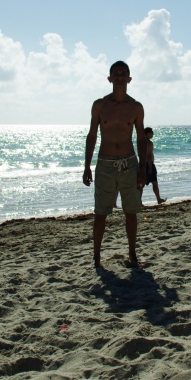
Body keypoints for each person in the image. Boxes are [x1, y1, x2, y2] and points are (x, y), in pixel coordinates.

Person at [83, 60, 147, 269]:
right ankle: (96, 259)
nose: (119, 77)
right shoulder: (100, 105)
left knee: (131, 212)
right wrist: (86, 166)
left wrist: (143, 168)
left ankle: (132, 255)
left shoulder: (136, 107)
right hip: (105, 164)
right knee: (100, 213)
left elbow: (140, 139)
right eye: (115, 74)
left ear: (129, 78)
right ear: (109, 78)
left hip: (129, 163)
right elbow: (92, 135)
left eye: (123, 74)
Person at [141, 127, 166, 205]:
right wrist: (150, 167)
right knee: (154, 182)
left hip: (142, 164)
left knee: (142, 183)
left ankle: (139, 201)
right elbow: (148, 155)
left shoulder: (141, 142)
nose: (153, 134)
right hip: (148, 164)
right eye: (151, 132)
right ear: (147, 133)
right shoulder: (148, 143)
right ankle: (158, 199)